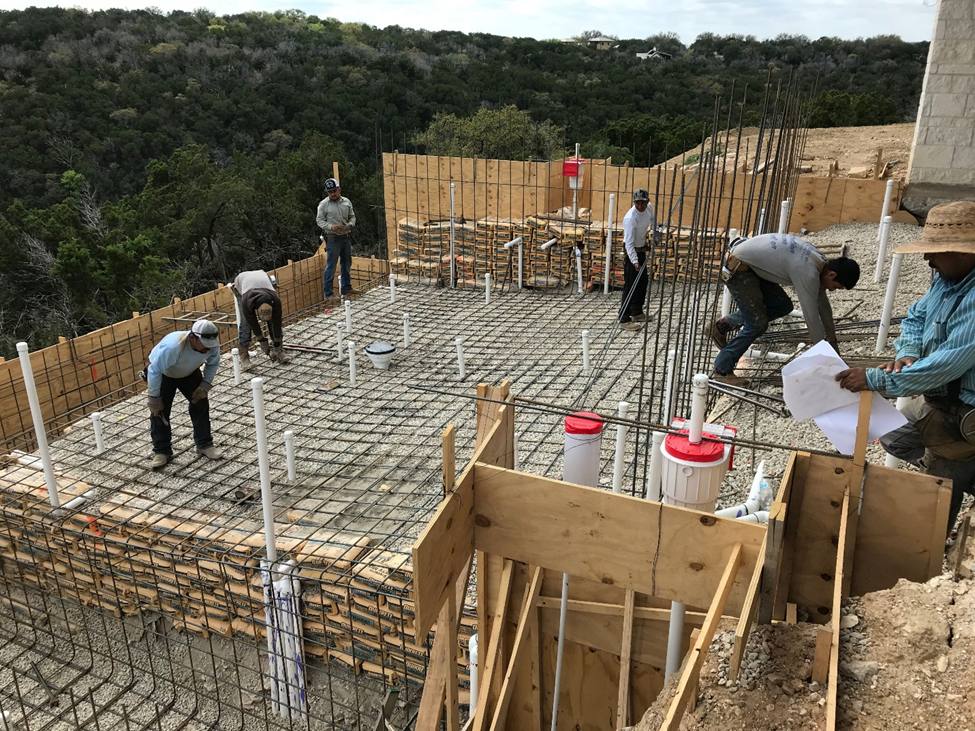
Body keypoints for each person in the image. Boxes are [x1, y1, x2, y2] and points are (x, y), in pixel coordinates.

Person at [836, 200, 975, 533]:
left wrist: (872, 378)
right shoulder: (945, 280)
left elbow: (947, 364)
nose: (927, 259)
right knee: (893, 437)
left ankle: (931, 555)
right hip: (939, 402)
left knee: (937, 502)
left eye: (935, 252)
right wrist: (909, 351)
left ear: (965, 252)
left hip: (965, 413)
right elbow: (915, 316)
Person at [710, 234, 860, 385]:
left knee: (783, 305)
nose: (833, 290)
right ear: (832, 274)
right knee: (757, 324)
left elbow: (824, 306)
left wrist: (832, 341)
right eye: (835, 286)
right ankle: (722, 370)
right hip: (738, 268)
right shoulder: (807, 272)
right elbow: (812, 318)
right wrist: (826, 359)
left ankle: (723, 325)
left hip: (752, 266)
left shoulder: (820, 262)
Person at [145, 319, 223, 470]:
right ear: (193, 338)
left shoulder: (212, 344)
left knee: (200, 404)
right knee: (159, 412)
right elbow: (154, 370)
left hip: (189, 372)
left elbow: (213, 363)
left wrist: (205, 385)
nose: (208, 349)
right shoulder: (173, 347)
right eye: (204, 346)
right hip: (164, 374)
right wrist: (154, 397)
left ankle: (204, 444)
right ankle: (162, 451)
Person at [232, 269, 289, 369]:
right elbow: (253, 322)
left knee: (274, 322)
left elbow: (277, 323)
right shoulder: (247, 301)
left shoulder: (275, 300)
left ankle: (279, 350)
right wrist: (261, 340)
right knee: (246, 324)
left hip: (262, 279)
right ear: (257, 309)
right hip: (241, 284)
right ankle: (244, 358)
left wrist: (276, 343)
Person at [619, 189, 655, 331]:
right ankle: (624, 318)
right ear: (634, 203)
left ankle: (637, 311)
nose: (641, 205)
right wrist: (634, 261)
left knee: (642, 282)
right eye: (638, 203)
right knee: (630, 285)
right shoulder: (630, 218)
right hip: (631, 252)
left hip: (641, 249)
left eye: (643, 203)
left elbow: (654, 221)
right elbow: (628, 243)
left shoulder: (649, 209)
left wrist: (655, 233)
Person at [316, 177, 357, 303]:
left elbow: (352, 217)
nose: (332, 194)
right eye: (330, 192)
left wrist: (350, 225)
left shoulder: (346, 202)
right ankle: (328, 294)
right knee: (331, 266)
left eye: (334, 191)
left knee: (346, 263)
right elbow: (319, 220)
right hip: (333, 238)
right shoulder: (324, 205)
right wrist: (331, 227)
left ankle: (346, 288)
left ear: (339, 189)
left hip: (345, 237)